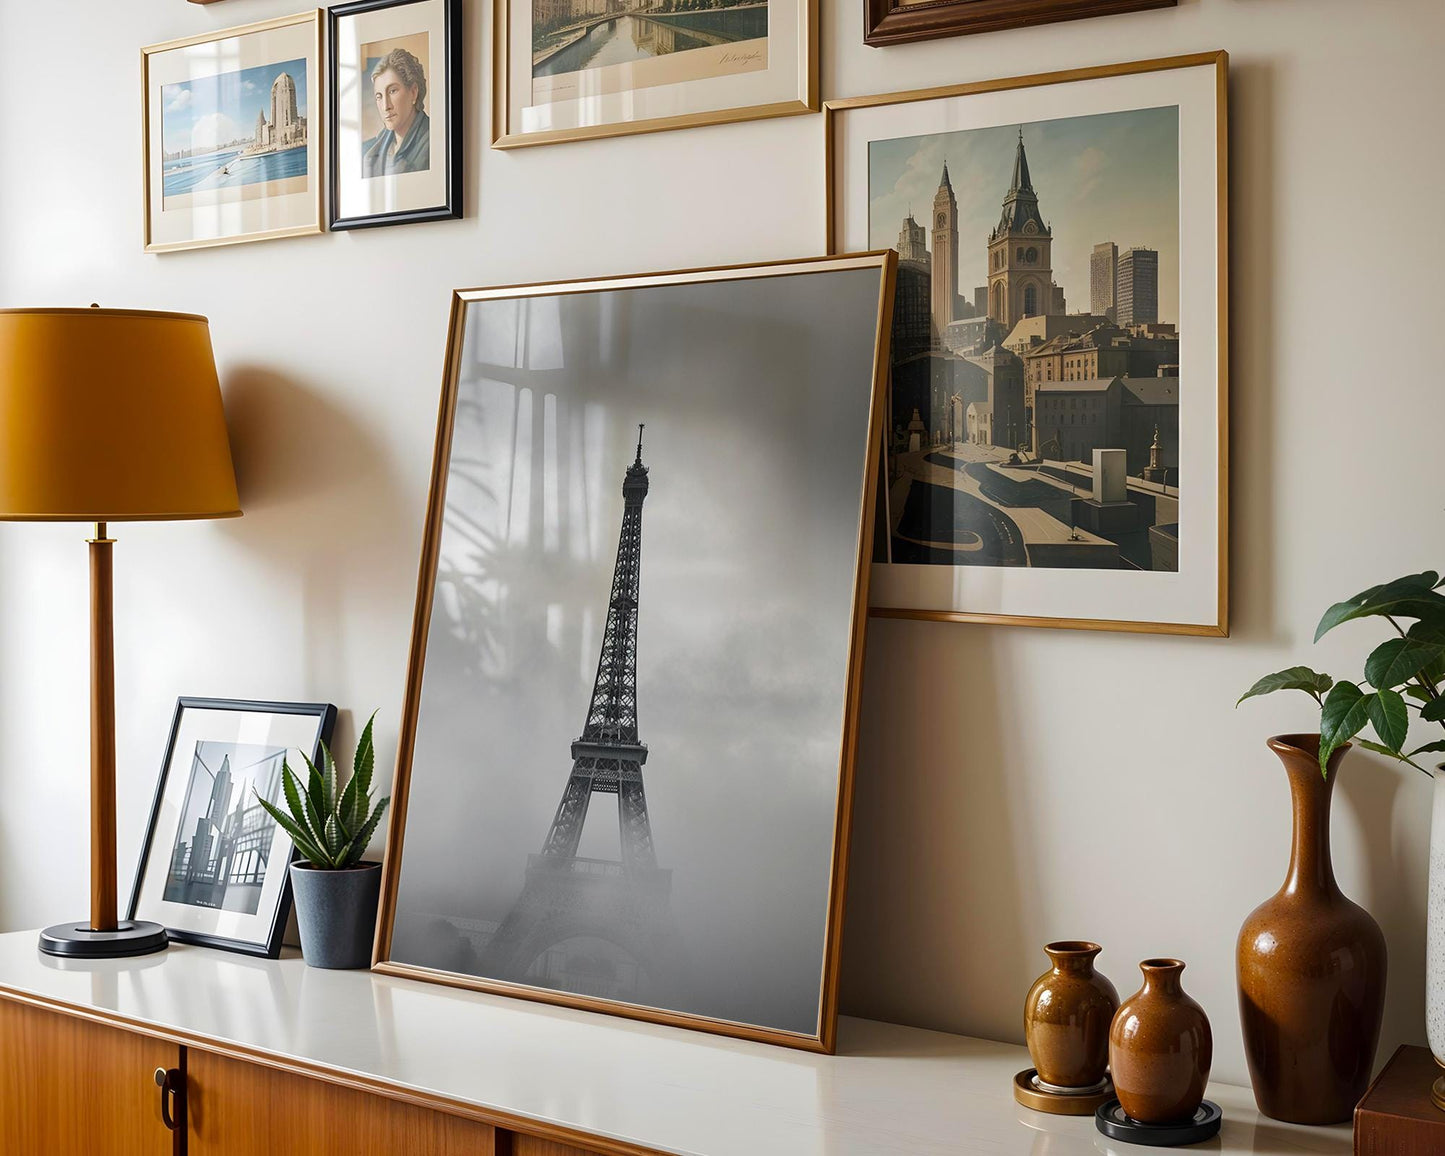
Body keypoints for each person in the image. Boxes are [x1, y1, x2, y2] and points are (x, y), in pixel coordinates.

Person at [362, 48, 430, 177]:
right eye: (379, 96)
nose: (386, 106)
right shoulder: (369, 151)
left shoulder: (434, 142)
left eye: (392, 91)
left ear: (413, 92)